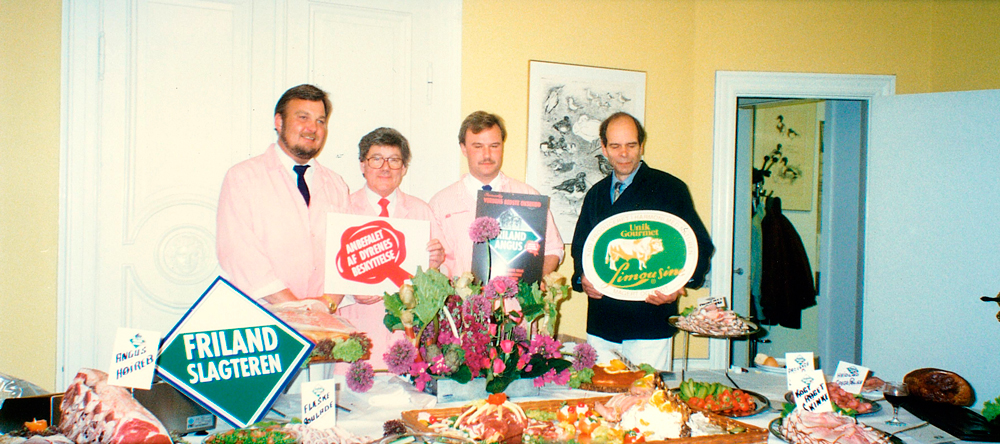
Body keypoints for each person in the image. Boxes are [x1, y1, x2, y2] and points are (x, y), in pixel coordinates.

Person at [571, 112, 714, 370]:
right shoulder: (595, 194)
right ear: (604, 148)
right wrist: (582, 278)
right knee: (599, 393)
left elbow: (699, 245)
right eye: (615, 146)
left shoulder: (670, 189)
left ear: (642, 145)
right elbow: (581, 247)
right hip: (602, 323)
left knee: (648, 395)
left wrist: (678, 285)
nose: (624, 153)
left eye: (631, 145)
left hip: (650, 323)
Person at [216, 84, 349, 309]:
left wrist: (327, 304)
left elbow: (347, 255)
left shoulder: (336, 185)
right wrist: (296, 310)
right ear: (279, 122)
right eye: (303, 117)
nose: (312, 128)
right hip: (265, 316)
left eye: (320, 121)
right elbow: (239, 254)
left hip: (323, 317)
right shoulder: (243, 177)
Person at [338, 127, 445, 369]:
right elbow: (324, 276)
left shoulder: (421, 211)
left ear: (404, 168)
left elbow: (440, 280)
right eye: (376, 159)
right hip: (357, 331)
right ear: (362, 165)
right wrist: (350, 294)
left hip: (408, 339)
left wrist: (437, 265)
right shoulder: (343, 209)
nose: (385, 168)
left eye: (394, 160)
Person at [429, 111, 564, 279]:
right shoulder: (440, 204)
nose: (487, 155)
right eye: (478, 146)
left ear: (502, 146)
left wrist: (534, 282)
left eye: (494, 146)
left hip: (516, 296)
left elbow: (553, 249)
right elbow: (431, 261)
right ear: (463, 148)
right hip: (458, 296)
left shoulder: (529, 197)